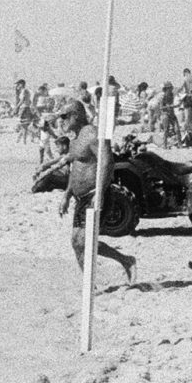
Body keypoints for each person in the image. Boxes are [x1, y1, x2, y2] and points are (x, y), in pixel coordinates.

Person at [59, 101, 137, 288]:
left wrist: (100, 191)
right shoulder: (75, 139)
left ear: (76, 115)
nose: (62, 121)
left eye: (65, 117)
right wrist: (67, 194)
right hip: (80, 198)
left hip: (95, 193)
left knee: (85, 241)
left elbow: (107, 162)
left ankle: (124, 262)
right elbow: (75, 169)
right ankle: (93, 283)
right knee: (77, 243)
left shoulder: (92, 134)